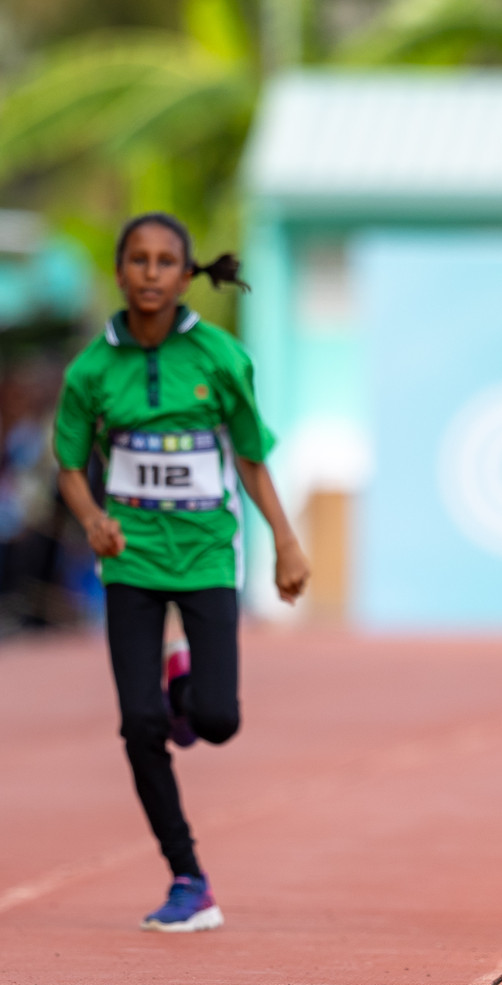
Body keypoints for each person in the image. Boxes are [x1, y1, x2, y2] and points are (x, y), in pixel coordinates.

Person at [53, 212, 310, 931]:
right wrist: (92, 518)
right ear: (120, 270)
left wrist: (285, 542)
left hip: (204, 556)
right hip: (130, 557)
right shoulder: (93, 370)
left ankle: (185, 688)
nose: (151, 272)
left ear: (184, 273)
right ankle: (187, 877)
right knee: (138, 726)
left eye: (166, 260)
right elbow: (70, 464)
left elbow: (252, 456)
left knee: (218, 721)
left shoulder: (220, 358)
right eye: (138, 259)